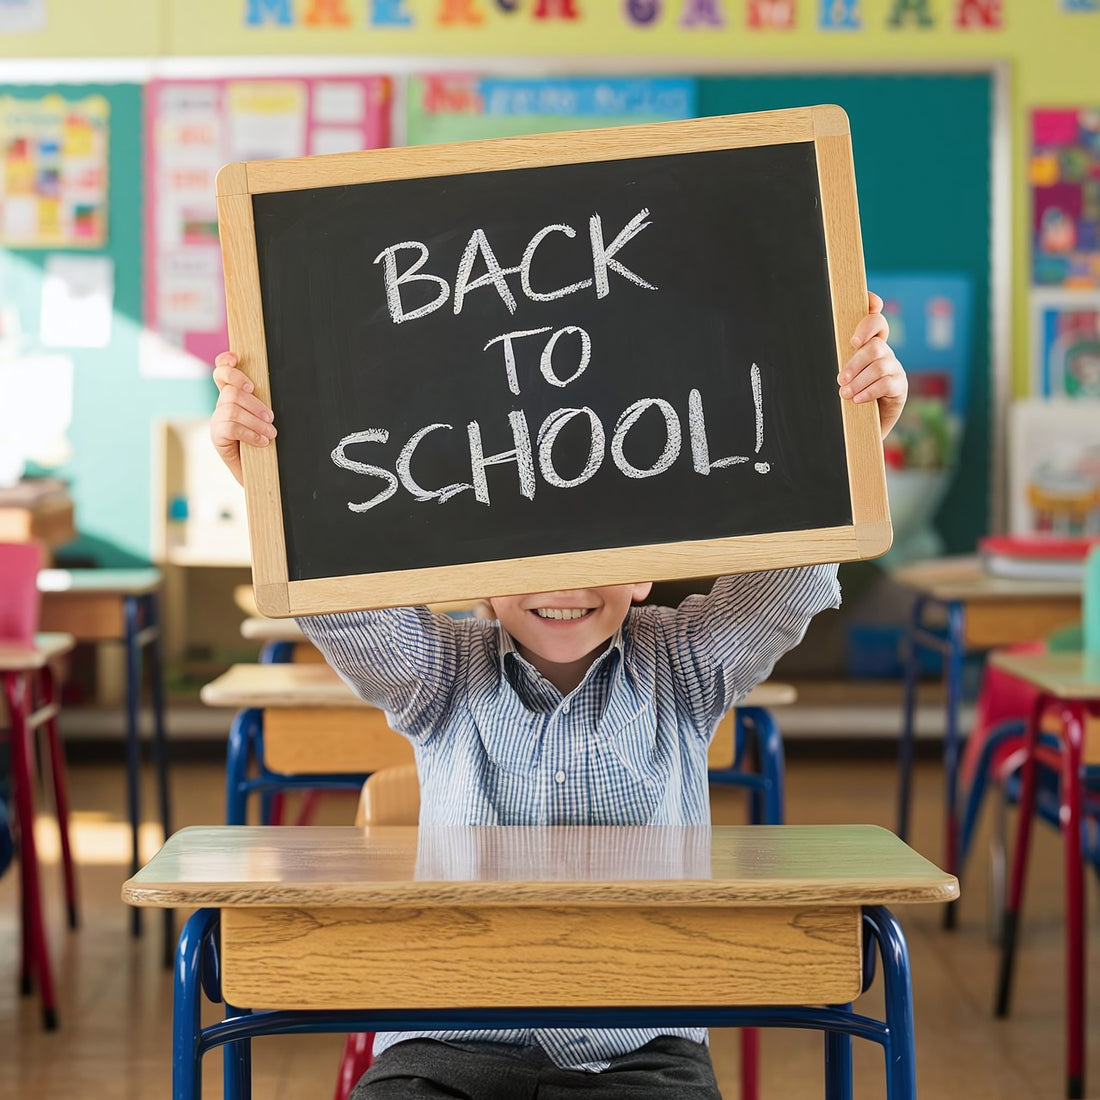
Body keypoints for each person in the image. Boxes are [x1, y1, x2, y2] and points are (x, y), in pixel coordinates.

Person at [209, 292, 907, 1100]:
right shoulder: (440, 674)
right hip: (449, 1040)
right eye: (530, 552)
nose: (565, 584)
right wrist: (261, 472)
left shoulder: (682, 667)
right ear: (476, 575)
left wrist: (855, 435)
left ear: (649, 568)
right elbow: (339, 598)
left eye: (600, 550)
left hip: (640, 1049)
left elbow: (788, 581)